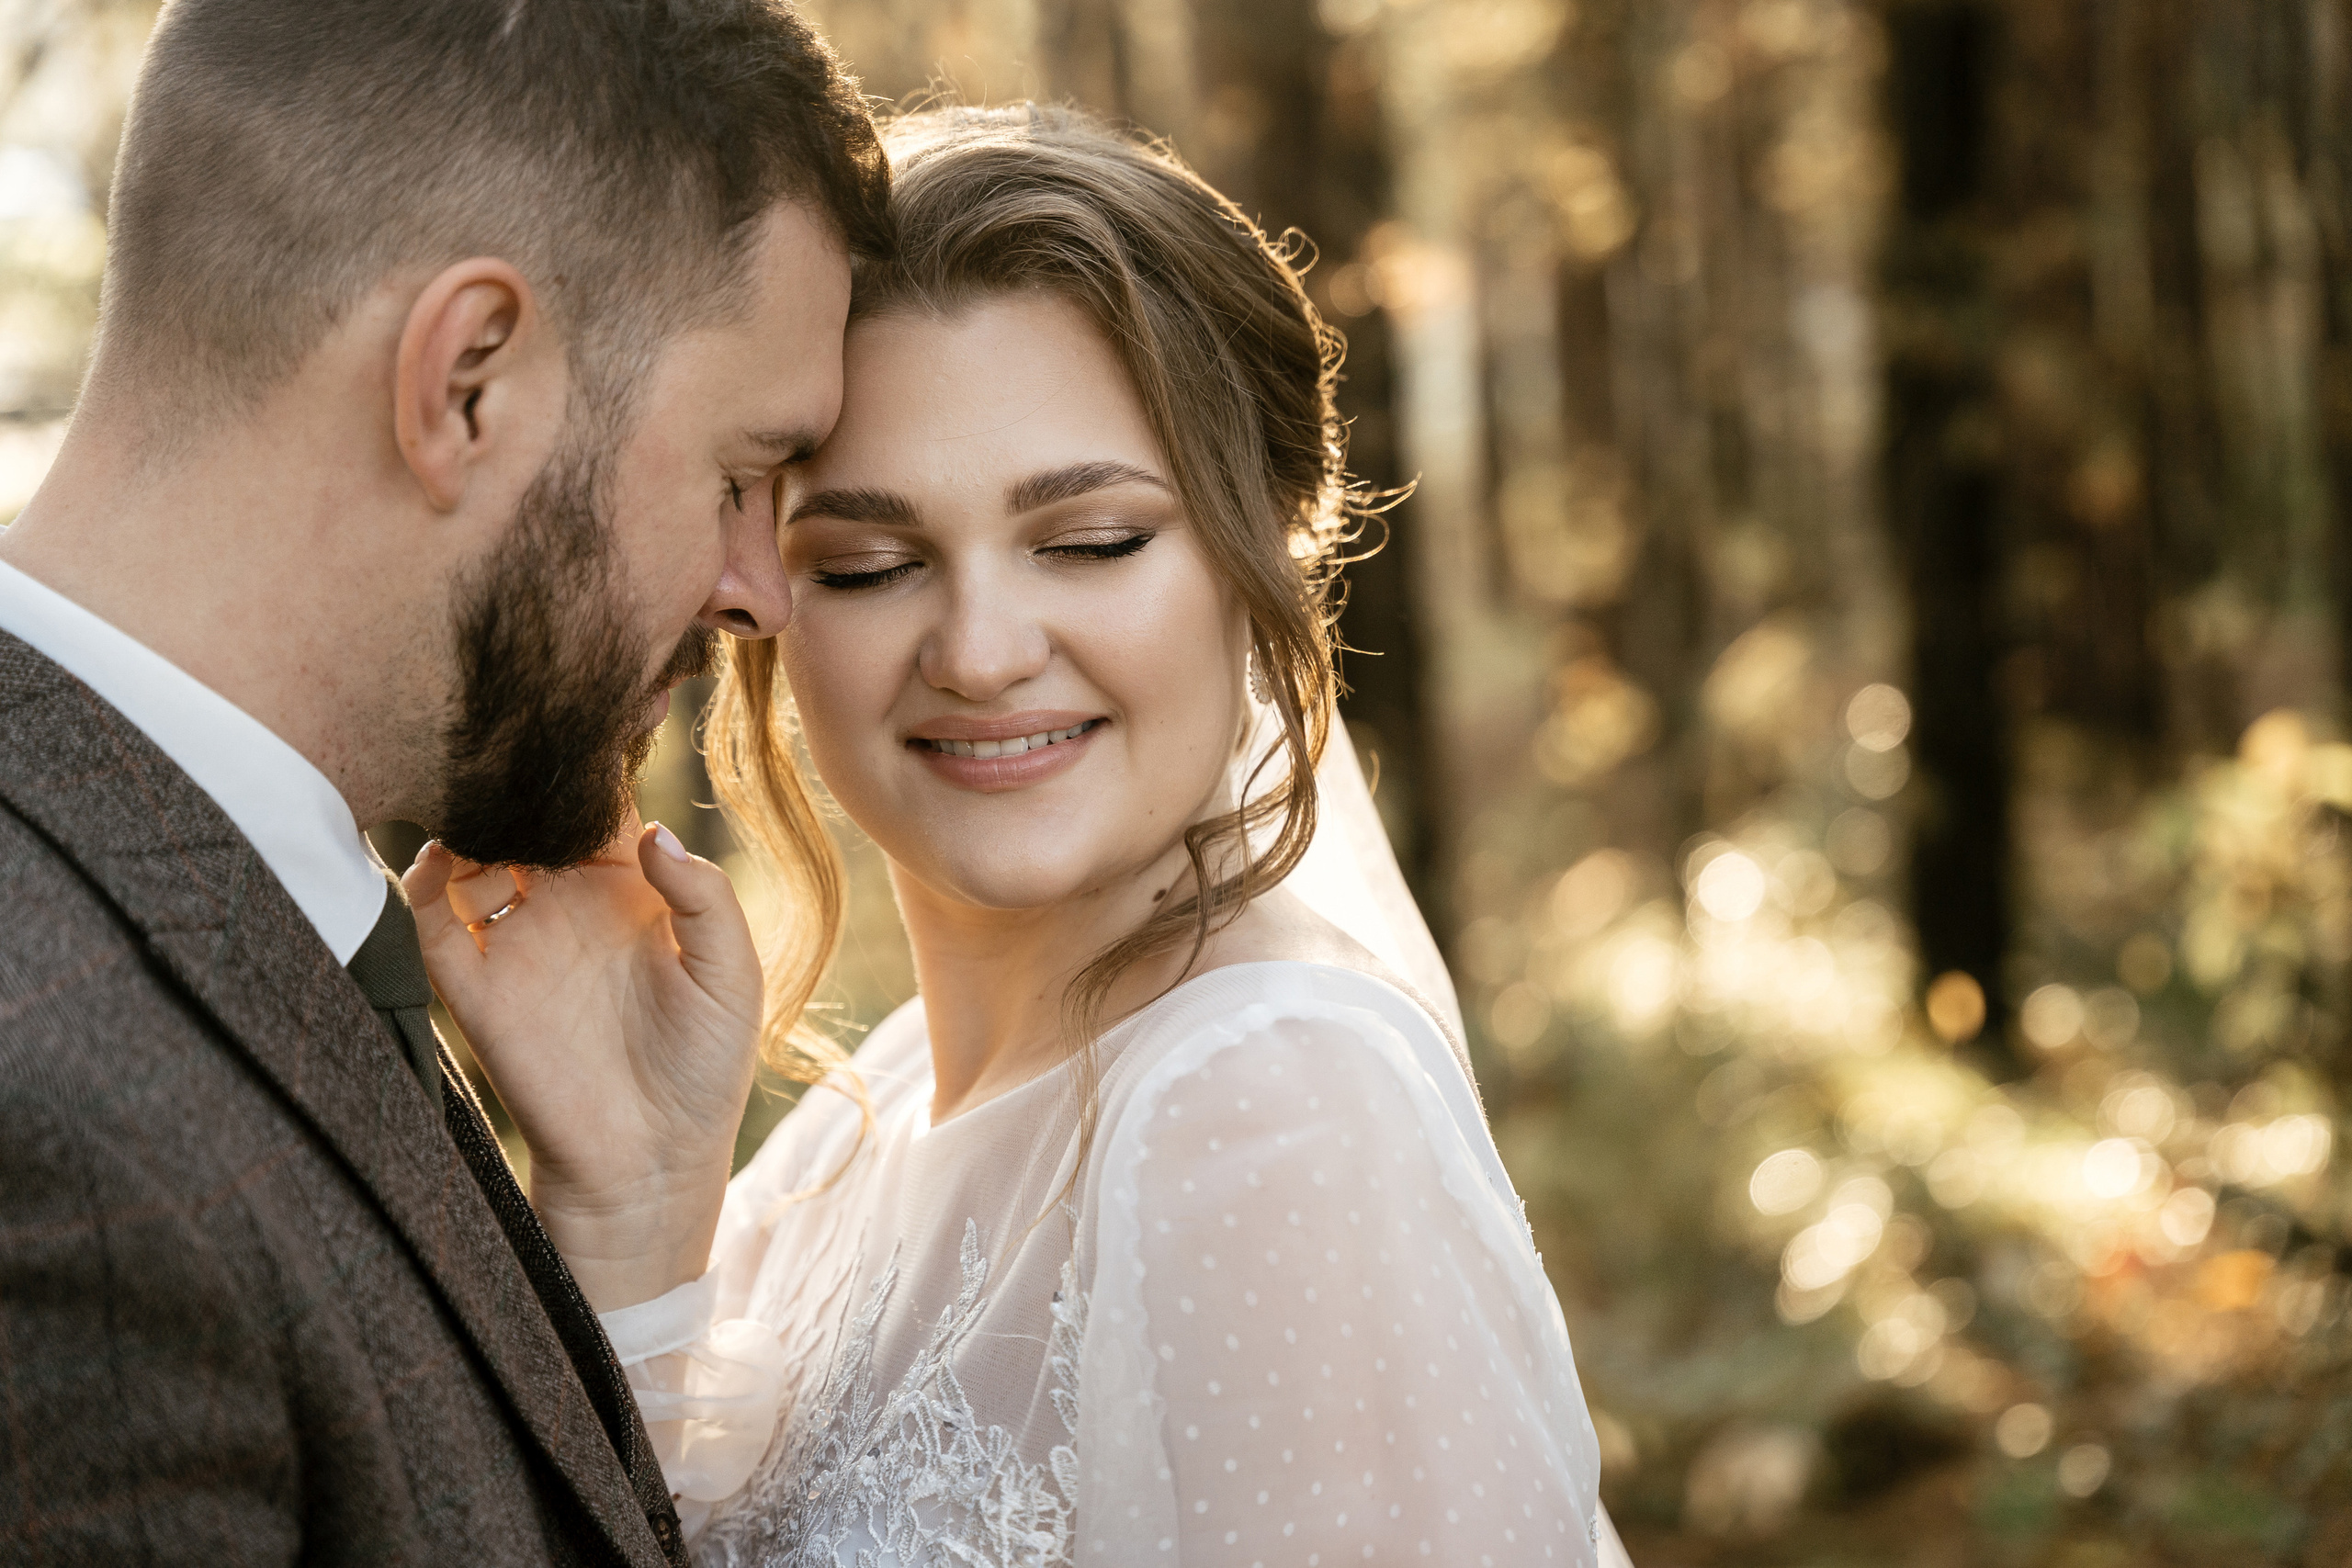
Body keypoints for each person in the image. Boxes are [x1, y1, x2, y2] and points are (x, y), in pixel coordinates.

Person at [418, 105, 1633, 1565]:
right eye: (868, 565)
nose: (982, 652)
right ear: (763, 605)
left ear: (1265, 551)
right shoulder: (852, 1128)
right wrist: (631, 1210)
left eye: (1093, 541)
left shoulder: (1266, 1103)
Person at [0, 2, 888, 1562]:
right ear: (469, 380)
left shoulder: (200, 892)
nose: (762, 589)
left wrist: (620, 1229)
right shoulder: (47, 1131)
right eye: (740, 475)